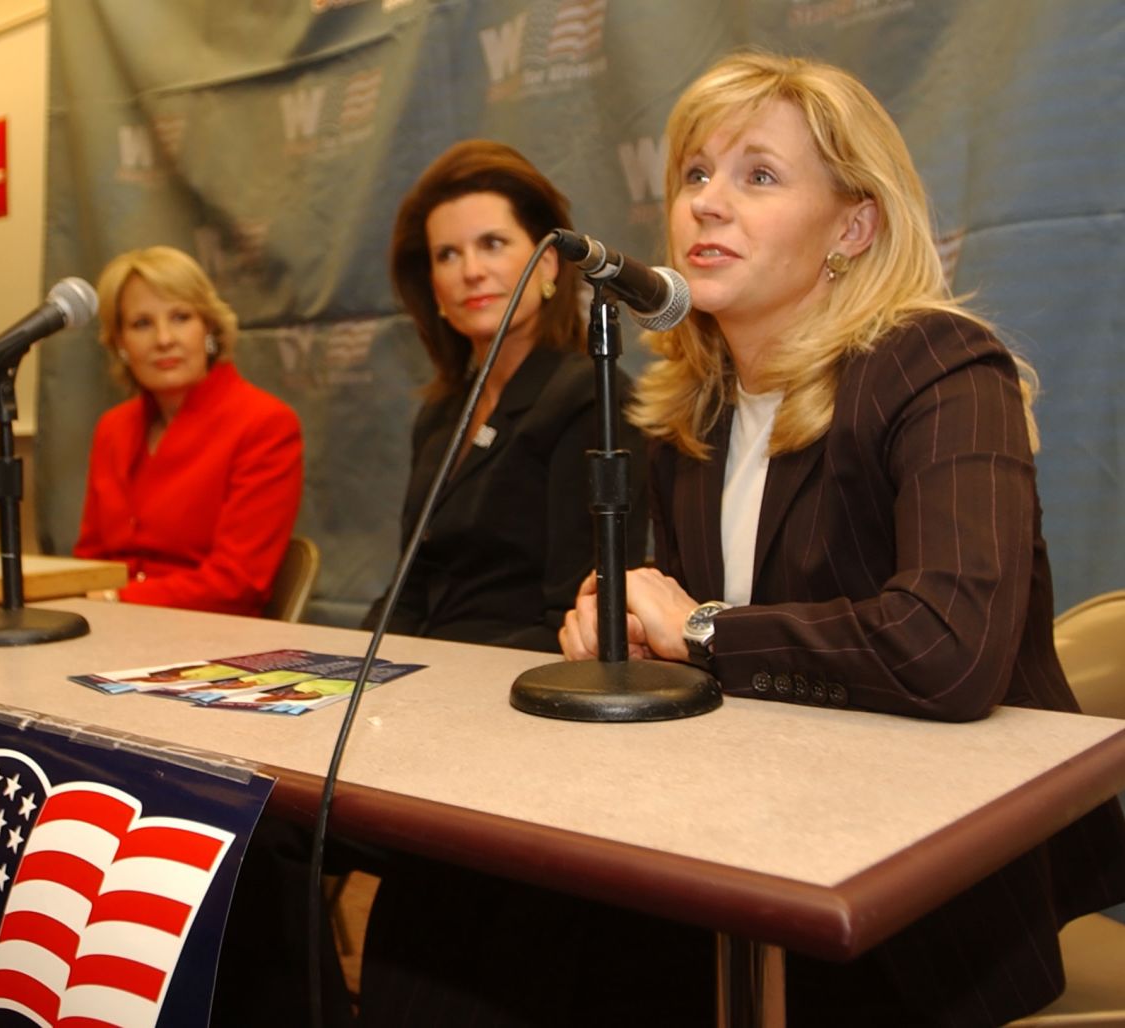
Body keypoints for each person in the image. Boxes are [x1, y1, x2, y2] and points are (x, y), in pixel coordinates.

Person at [545, 51, 1125, 1026]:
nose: (706, 205)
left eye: (757, 175)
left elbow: (946, 648)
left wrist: (700, 629)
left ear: (852, 225)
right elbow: (705, 627)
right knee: (526, 935)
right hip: (759, 832)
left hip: (931, 896)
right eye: (694, 174)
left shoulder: (941, 368)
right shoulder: (697, 405)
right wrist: (628, 628)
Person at [365, 139, 648, 653]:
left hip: (511, 688)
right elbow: (407, 592)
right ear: (433, 288)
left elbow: (574, 616)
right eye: (447, 254)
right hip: (417, 680)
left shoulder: (587, 398)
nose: (470, 270)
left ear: (546, 266)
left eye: (492, 243)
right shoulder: (440, 414)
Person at [73, 245, 302, 616]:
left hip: (210, 643)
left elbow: (237, 584)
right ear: (121, 344)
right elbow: (90, 561)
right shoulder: (112, 428)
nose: (164, 339)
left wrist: (117, 600)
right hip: (109, 630)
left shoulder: (265, 423)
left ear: (208, 329)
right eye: (141, 324)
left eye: (180, 317)